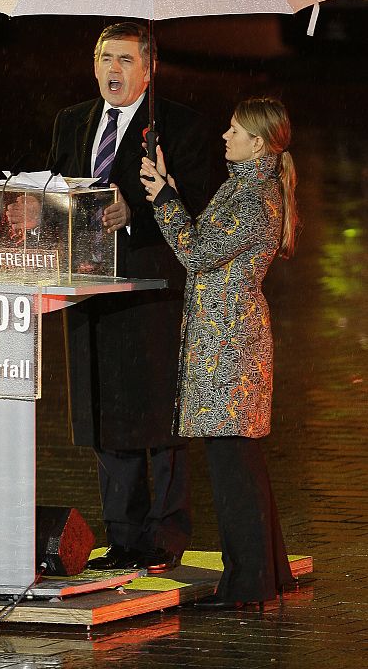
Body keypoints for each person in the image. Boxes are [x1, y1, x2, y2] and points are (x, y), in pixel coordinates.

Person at [47, 21, 210, 572]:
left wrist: (135, 215)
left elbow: (198, 211)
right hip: (90, 293)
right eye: (104, 58)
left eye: (124, 60)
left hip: (152, 296)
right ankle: (123, 535)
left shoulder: (178, 127)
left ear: (149, 68)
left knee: (158, 421)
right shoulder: (71, 122)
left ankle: (164, 538)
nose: (112, 70)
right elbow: (56, 196)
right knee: (104, 416)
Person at [140, 97, 298, 605]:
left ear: (259, 142)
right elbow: (207, 239)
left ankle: (248, 584)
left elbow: (197, 252)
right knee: (238, 460)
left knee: (234, 465)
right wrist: (172, 190)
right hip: (224, 339)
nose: (224, 136)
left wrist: (164, 200)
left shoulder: (255, 198)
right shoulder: (245, 188)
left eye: (234, 130)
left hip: (230, 344)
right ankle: (266, 576)